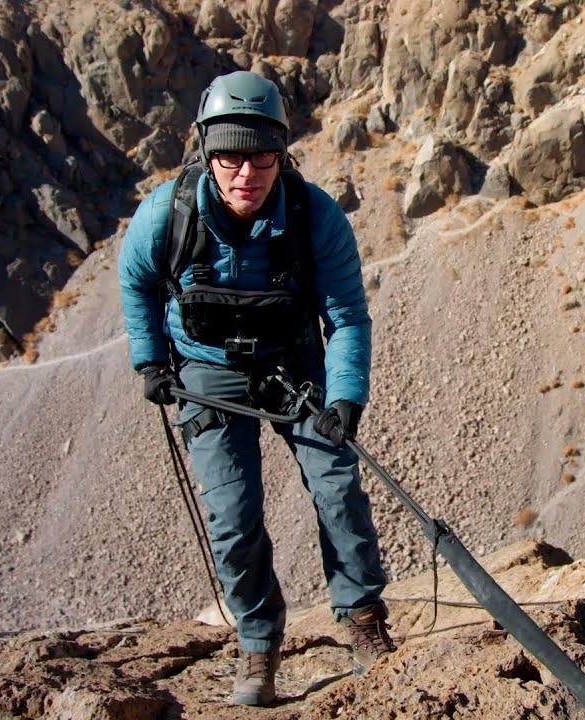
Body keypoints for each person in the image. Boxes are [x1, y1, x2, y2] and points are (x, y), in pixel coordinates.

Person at [117, 70, 394, 707]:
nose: (247, 173)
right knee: (234, 518)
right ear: (207, 153)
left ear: (281, 153)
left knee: (338, 488)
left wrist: (345, 397)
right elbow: (138, 284)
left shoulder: (315, 217)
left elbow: (347, 315)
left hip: (293, 364)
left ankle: (361, 620)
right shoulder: (166, 214)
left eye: (261, 156)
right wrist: (150, 362)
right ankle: (258, 643)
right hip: (207, 374)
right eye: (231, 156)